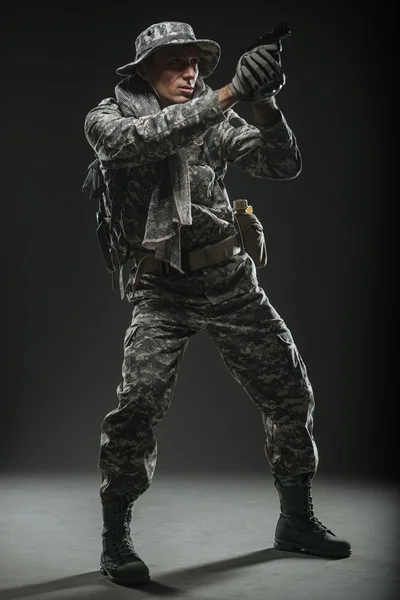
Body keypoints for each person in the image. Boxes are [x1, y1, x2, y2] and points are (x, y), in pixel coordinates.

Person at [84, 20, 351, 586]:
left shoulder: (215, 113)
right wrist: (231, 91)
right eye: (175, 64)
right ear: (142, 72)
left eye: (196, 64)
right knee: (137, 408)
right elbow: (144, 140)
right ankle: (115, 541)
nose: (191, 73)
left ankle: (296, 521)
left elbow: (281, 164)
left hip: (230, 281)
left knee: (289, 391)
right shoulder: (109, 118)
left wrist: (267, 104)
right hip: (161, 290)